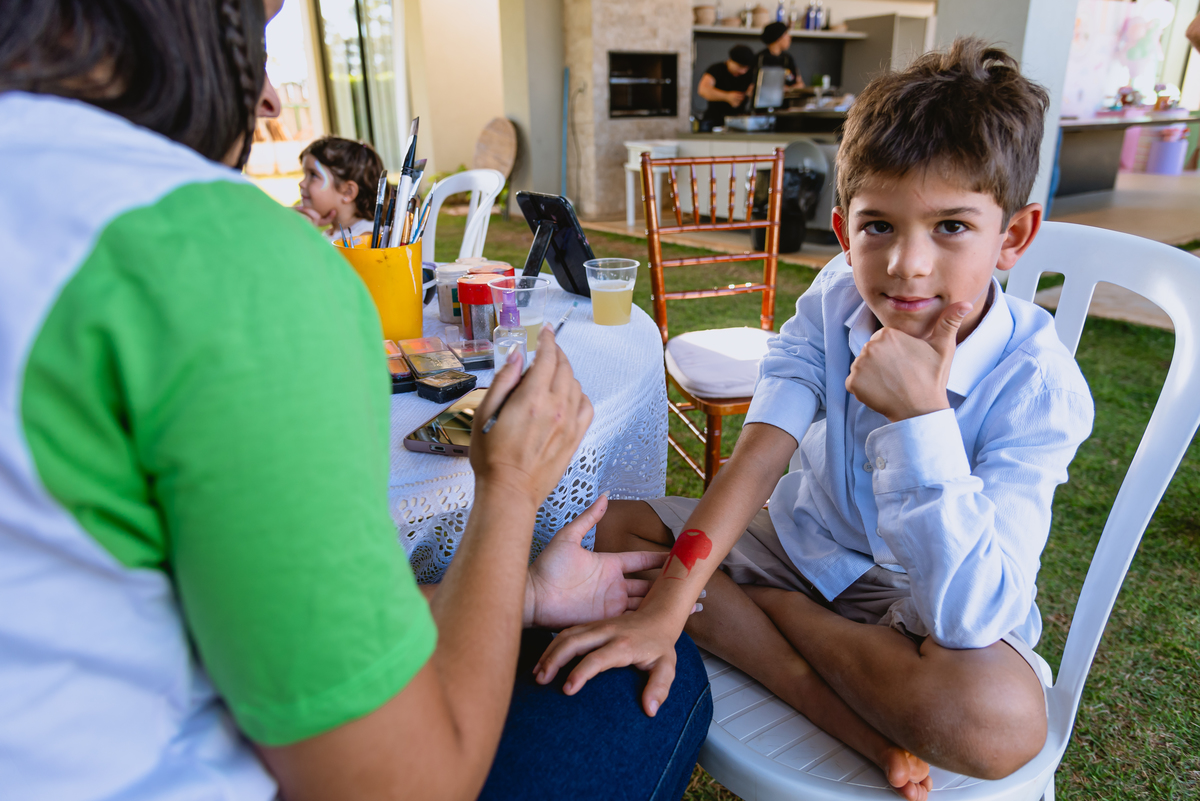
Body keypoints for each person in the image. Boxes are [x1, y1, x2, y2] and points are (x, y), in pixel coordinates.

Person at [0, 1, 711, 800]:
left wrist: (535, 593)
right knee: (659, 685)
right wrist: (509, 492)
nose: (268, 97)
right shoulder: (219, 261)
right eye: (256, 26)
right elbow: (410, 785)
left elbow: (222, 602)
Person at [534, 37, 1095, 800]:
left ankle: (766, 617)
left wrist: (920, 419)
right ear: (842, 231)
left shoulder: (1039, 385)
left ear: (1014, 237)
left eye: (952, 227)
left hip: (911, 602)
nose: (908, 265)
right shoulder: (835, 297)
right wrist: (665, 609)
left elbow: (969, 618)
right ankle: (833, 702)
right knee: (613, 527)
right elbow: (759, 458)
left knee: (999, 720)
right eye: (879, 226)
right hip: (795, 542)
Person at [295, 136, 384, 242]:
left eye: (313, 175)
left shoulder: (365, 238)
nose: (302, 183)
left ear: (348, 192)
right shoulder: (329, 233)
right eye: (305, 174)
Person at [697, 44, 756, 127]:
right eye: (740, 67)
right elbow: (703, 90)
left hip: (739, 121)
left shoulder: (749, 74)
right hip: (715, 120)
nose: (743, 71)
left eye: (746, 68)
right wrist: (727, 96)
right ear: (730, 60)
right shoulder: (716, 69)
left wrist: (750, 94)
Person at [756, 21, 803, 90]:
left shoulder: (787, 59)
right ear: (778, 37)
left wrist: (789, 88)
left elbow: (798, 83)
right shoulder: (760, 58)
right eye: (786, 34)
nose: (789, 38)